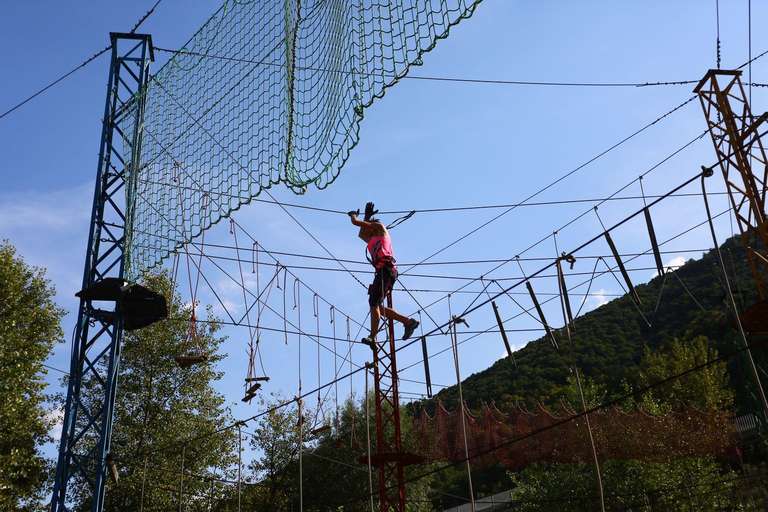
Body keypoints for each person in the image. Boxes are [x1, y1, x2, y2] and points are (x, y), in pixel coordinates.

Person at [348, 202, 419, 350]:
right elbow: (361, 232)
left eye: (368, 226)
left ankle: (373, 337)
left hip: (386, 269)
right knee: (377, 306)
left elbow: (356, 223)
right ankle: (408, 321)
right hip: (383, 271)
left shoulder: (381, 230)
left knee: (374, 304)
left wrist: (353, 215)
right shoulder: (371, 239)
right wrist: (366, 217)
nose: (365, 231)